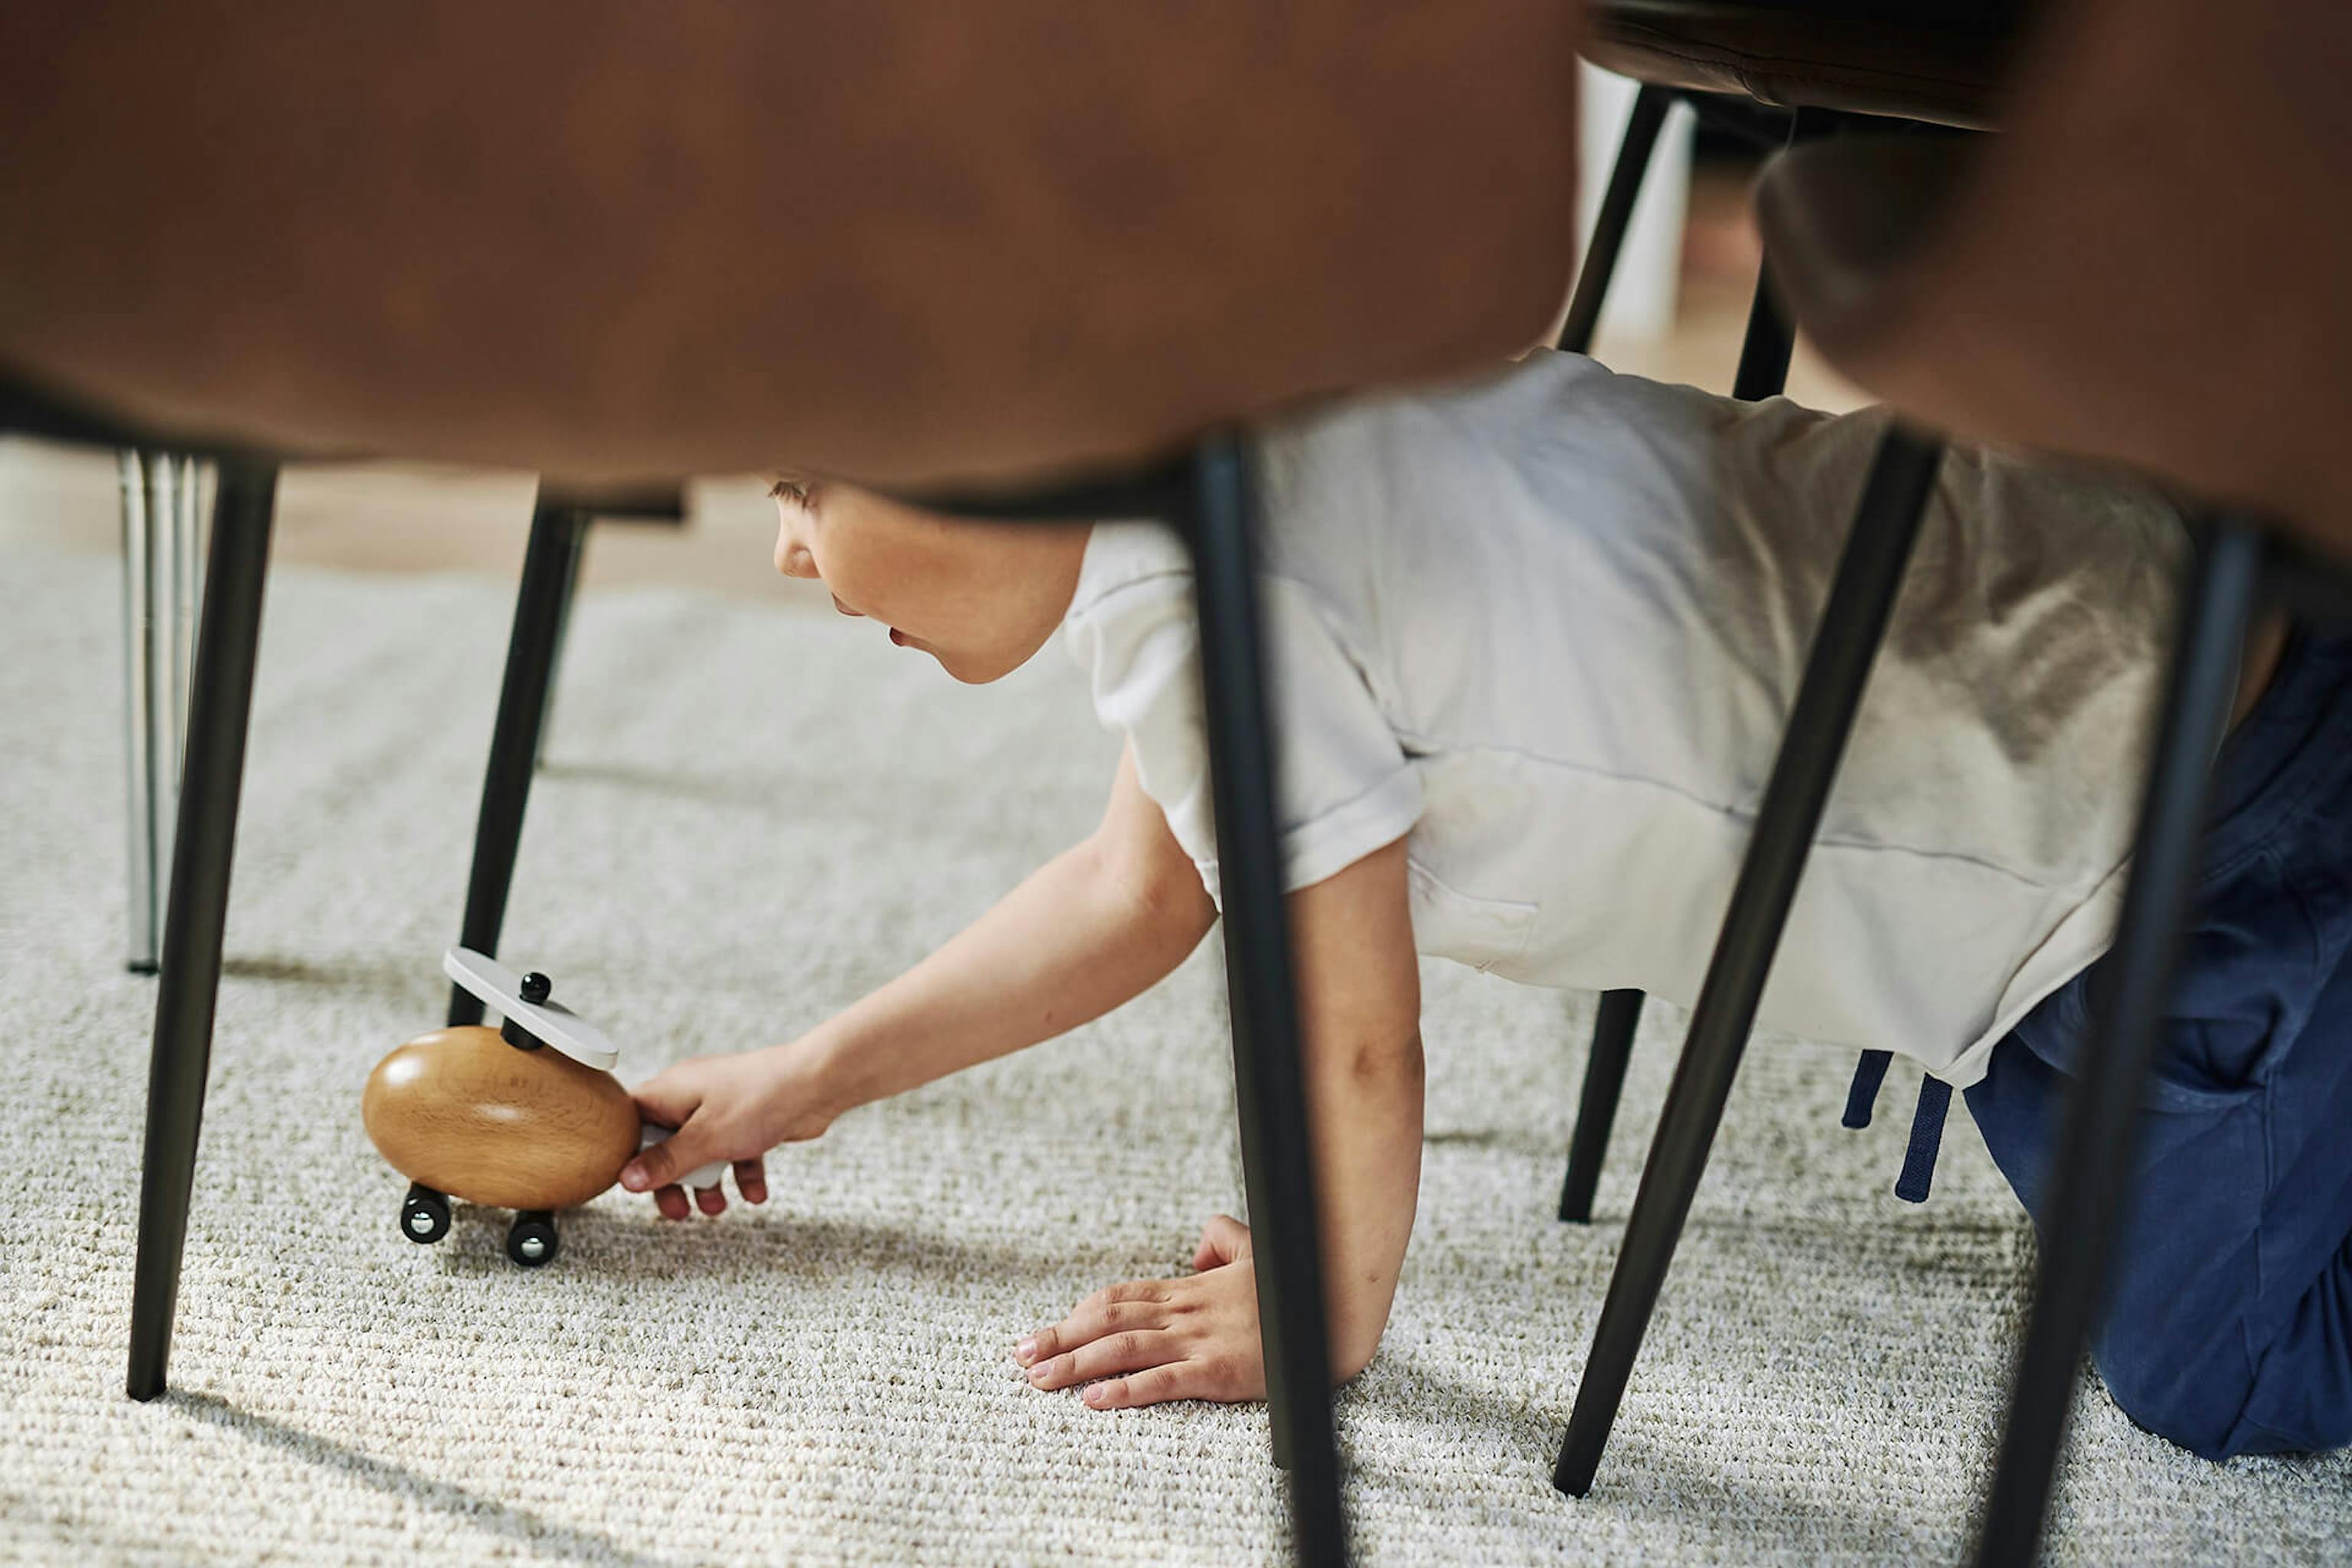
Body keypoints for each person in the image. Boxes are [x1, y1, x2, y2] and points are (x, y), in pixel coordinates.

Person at [619, 349, 2343, 1458]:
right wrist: (804, 1078)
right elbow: (1139, 888)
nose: (785, 549)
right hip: (2092, 702)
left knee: (2226, 1374)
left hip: (2184, 815)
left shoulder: (1208, 607)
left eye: (798, 487)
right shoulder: (1223, 443)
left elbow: (1358, 1034)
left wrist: (1323, 1294)